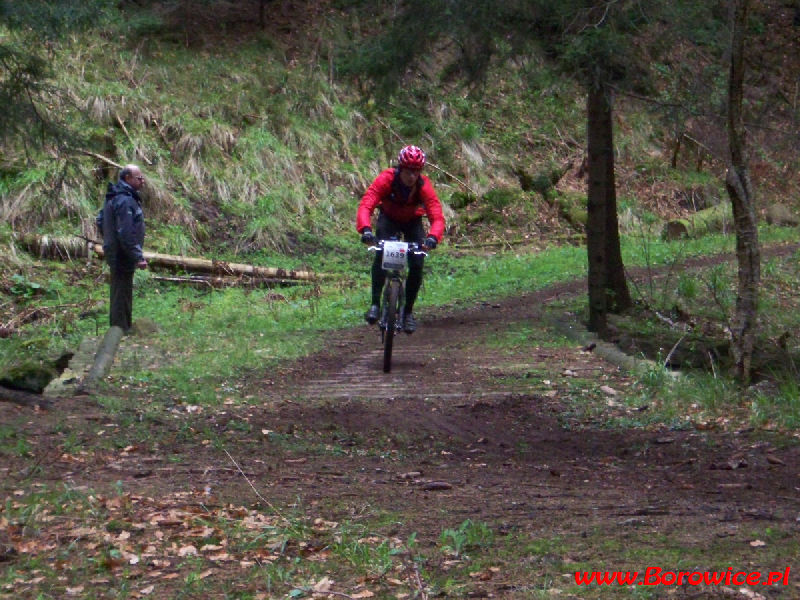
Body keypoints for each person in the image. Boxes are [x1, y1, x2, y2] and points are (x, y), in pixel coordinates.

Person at [356, 145, 445, 333]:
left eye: (416, 172)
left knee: (417, 263)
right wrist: (365, 229)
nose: (411, 176)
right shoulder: (386, 179)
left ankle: (408, 312)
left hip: (412, 221)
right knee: (380, 256)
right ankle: (375, 304)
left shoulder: (423, 186)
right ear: (400, 168)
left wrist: (432, 238)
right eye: (408, 171)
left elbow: (436, 215)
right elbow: (367, 203)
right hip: (388, 219)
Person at [95, 164, 147, 332]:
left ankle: (123, 328)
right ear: (127, 178)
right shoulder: (124, 200)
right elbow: (126, 232)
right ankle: (120, 330)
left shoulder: (114, 197)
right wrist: (137, 256)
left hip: (116, 251)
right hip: (122, 254)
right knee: (121, 292)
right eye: (139, 178)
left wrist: (110, 241)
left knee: (121, 289)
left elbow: (101, 220)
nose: (142, 181)